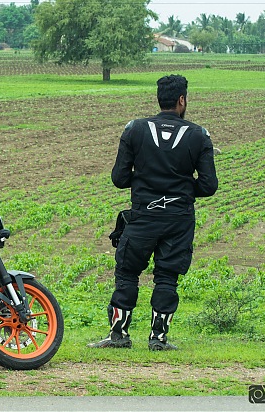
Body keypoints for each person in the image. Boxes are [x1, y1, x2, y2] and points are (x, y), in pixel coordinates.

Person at [89, 74, 218, 351]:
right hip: (179, 220)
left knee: (127, 273)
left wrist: (146, 183)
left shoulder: (134, 129)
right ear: (182, 100)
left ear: (159, 99)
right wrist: (181, 190)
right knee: (167, 277)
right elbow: (208, 186)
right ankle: (158, 339)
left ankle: (118, 336)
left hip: (142, 217)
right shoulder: (199, 135)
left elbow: (119, 179)